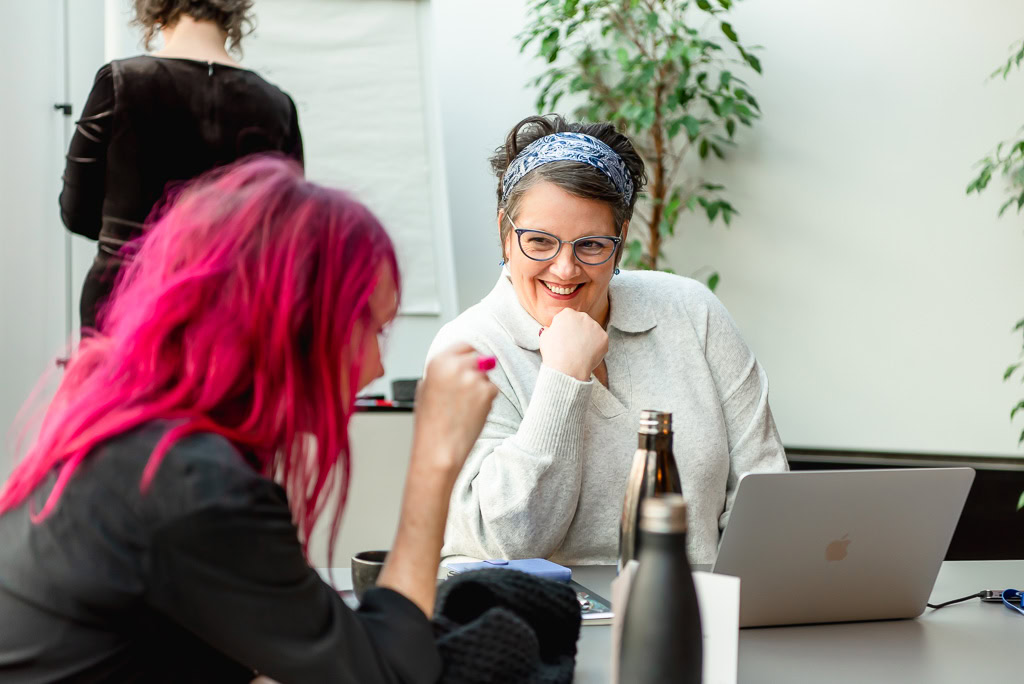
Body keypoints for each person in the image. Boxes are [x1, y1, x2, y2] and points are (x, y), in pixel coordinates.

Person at [0, 157, 497, 682]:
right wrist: (434, 460)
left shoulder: (139, 444)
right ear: (290, 326)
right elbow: (386, 675)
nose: (377, 365)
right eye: (370, 328)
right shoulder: (191, 483)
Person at [427, 115, 789, 566]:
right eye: (539, 242)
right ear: (505, 232)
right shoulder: (468, 349)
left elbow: (764, 487)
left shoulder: (692, 312)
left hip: (699, 611)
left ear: (619, 243)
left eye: (592, 245)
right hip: (552, 623)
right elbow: (503, 541)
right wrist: (562, 377)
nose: (565, 269)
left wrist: (736, 606)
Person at [60, 0, 304, 331]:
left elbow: (77, 212)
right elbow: (288, 231)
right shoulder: (277, 106)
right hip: (231, 312)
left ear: (155, 10)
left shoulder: (121, 82)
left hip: (125, 303)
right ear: (233, 13)